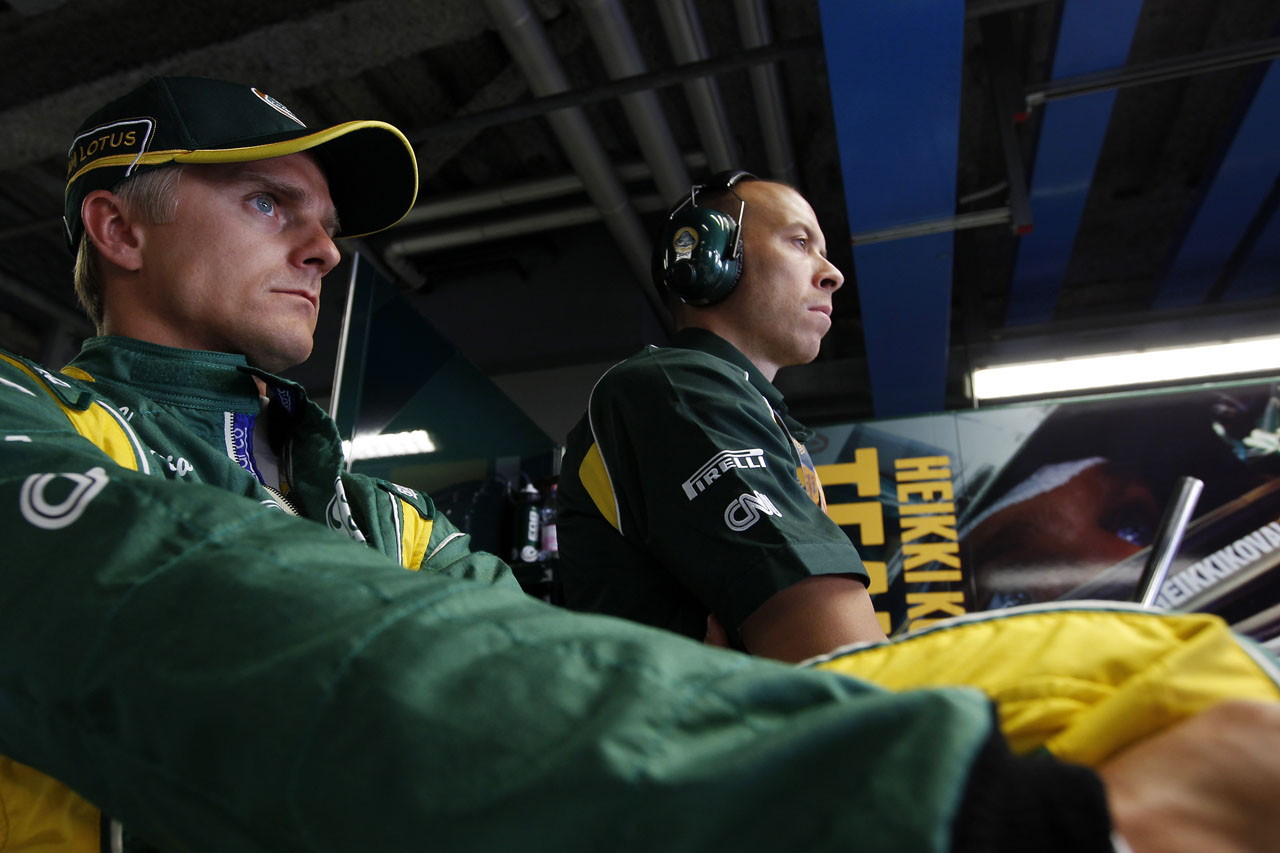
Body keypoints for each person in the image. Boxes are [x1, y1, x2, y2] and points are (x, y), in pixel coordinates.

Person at [3, 76, 1280, 853]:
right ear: (116, 226)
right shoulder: (30, 420)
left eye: (329, 225)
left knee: (1152, 672)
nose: (326, 253)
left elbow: (522, 669)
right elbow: (187, 610)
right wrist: (943, 809)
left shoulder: (373, 511)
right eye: (269, 205)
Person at [557, 171, 885, 661]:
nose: (832, 273)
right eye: (800, 242)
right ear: (708, 257)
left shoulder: (744, 406)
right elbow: (845, 668)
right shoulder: (678, 390)